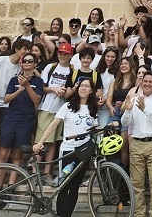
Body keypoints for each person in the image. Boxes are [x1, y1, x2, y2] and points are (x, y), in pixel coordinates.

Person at [33, 78, 99, 215]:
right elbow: (53, 124)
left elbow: (95, 128)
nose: (83, 88)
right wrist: (41, 142)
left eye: (87, 86)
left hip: (84, 151)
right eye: (81, 86)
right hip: (68, 150)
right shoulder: (68, 106)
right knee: (64, 185)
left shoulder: (93, 108)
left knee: (75, 186)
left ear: (91, 91)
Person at [122, 70, 152, 217]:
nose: (147, 84)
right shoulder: (134, 99)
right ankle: (139, 213)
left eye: (151, 82)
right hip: (136, 143)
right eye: (145, 81)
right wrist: (128, 110)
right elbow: (125, 123)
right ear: (141, 82)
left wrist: (144, 108)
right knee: (136, 183)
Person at [0, 51, 44, 189]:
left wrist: (27, 86)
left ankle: (11, 186)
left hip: (26, 119)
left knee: (18, 154)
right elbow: (6, 99)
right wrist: (19, 90)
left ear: (35, 64)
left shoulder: (38, 81)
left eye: (30, 61)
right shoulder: (14, 80)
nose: (27, 63)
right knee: (4, 153)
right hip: (11, 118)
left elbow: (36, 101)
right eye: (25, 61)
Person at [35, 42, 75, 183]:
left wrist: (66, 92)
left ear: (70, 55)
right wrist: (54, 89)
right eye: (60, 53)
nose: (62, 56)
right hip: (47, 106)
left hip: (62, 108)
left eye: (65, 54)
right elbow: (42, 87)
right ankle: (35, 171)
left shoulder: (73, 69)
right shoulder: (50, 67)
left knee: (53, 142)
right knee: (42, 138)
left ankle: (46, 172)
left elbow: (72, 89)